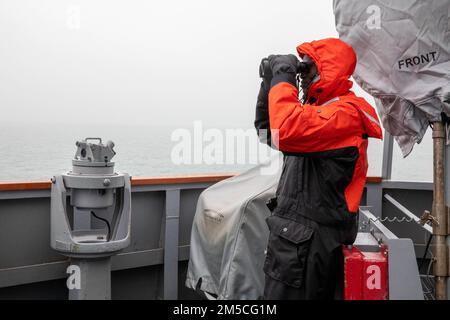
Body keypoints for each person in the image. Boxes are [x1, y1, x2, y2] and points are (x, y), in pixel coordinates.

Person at [254, 38, 382, 299]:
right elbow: (268, 132)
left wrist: (284, 75)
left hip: (310, 248)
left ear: (328, 70)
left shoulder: (344, 114)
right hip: (294, 244)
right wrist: (271, 82)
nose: (301, 77)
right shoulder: (315, 113)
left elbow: (286, 129)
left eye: (307, 68)